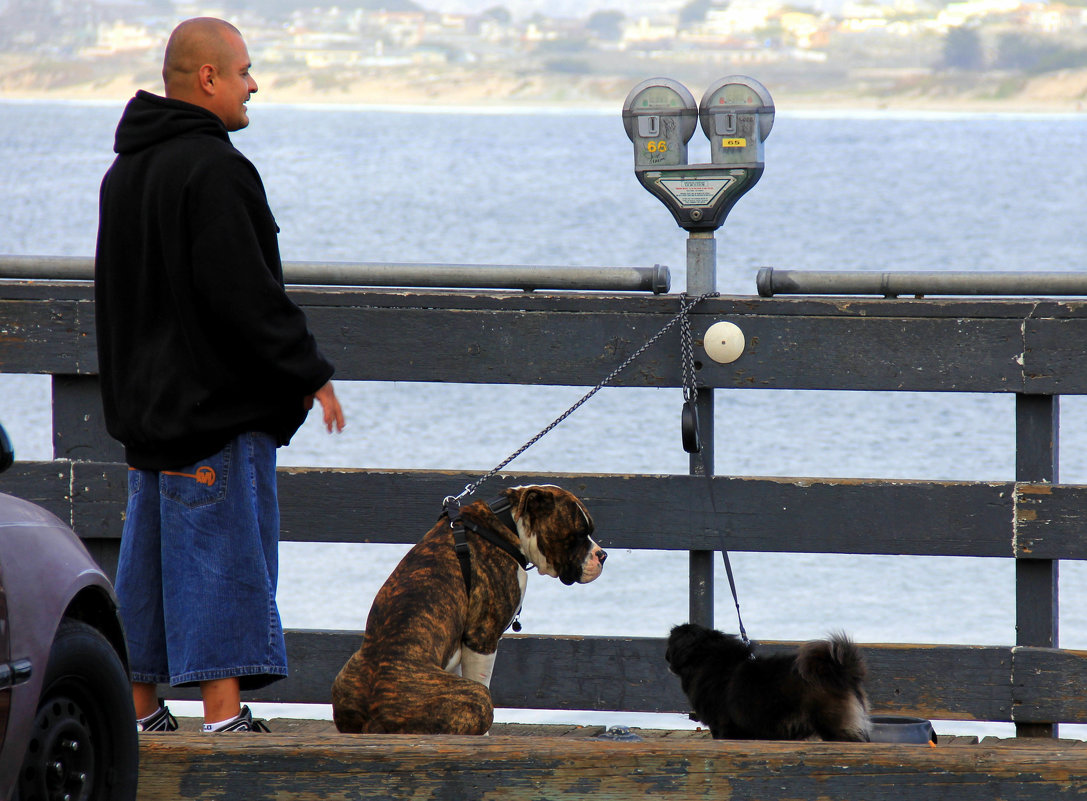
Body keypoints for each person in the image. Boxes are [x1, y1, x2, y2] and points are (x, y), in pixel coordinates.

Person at [94, 17, 346, 733]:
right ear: (208, 78)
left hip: (147, 412)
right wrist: (309, 371)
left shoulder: (126, 172)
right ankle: (223, 718)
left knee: (147, 560)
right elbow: (247, 293)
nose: (253, 84)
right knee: (222, 554)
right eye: (243, 71)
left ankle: (142, 711)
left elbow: (115, 295)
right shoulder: (215, 168)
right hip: (211, 406)